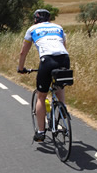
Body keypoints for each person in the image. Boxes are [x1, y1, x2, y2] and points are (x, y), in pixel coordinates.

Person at [17, 9, 70, 142]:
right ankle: (62, 109)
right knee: (59, 86)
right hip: (64, 59)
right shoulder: (58, 28)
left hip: (47, 61)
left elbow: (23, 52)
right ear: (49, 18)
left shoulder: (32, 29)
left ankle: (40, 132)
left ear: (35, 19)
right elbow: (64, 46)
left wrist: (21, 68)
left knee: (41, 96)